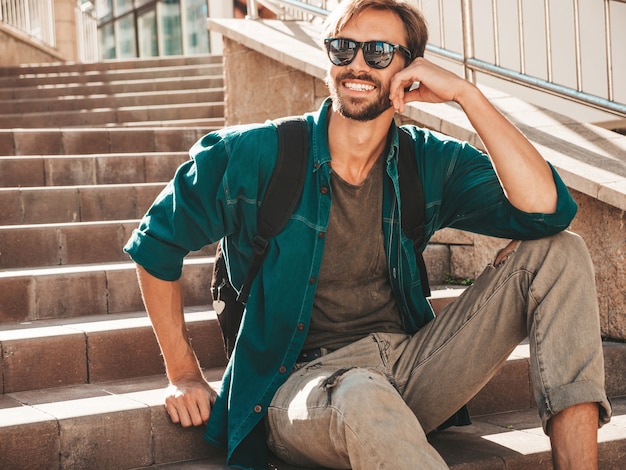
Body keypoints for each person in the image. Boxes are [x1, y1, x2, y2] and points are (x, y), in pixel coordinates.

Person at [124, 0, 611, 468]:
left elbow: (547, 212)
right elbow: (158, 241)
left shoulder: (427, 161)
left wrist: (467, 95)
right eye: (343, 48)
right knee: (361, 394)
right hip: (298, 388)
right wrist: (183, 373)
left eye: (378, 52)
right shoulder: (256, 154)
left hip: (409, 364)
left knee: (560, 253)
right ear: (328, 58)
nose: (357, 64)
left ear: (408, 67)